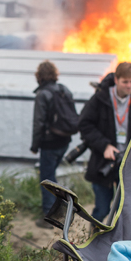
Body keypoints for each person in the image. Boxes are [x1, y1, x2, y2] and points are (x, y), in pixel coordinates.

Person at [78, 61, 131, 222]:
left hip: (129, 163)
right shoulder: (100, 98)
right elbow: (84, 125)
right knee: (102, 209)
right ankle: (93, 234)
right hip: (104, 162)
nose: (129, 86)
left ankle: (118, 237)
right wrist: (104, 145)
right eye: (125, 82)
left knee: (125, 211)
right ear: (116, 80)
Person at [30, 60, 74, 227]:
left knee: (47, 179)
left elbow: (38, 123)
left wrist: (35, 146)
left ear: (39, 76)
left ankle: (51, 217)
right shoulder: (64, 89)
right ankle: (62, 209)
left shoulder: (42, 94)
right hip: (64, 141)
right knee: (52, 175)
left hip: (49, 143)